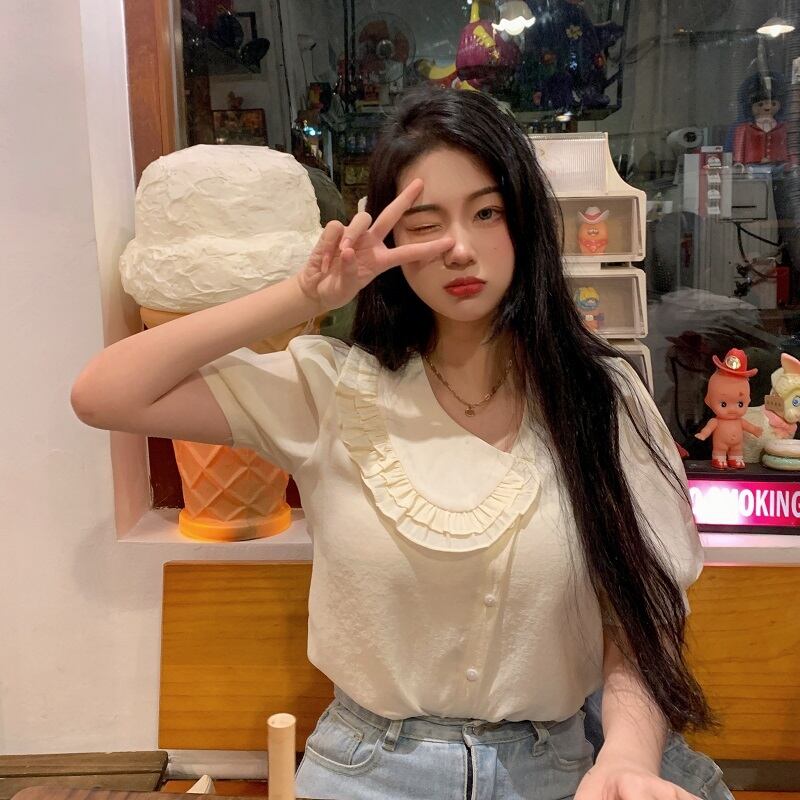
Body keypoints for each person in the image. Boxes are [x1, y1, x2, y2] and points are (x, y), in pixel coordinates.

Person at [71, 87, 733, 800]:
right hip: (367, 771)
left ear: (526, 221)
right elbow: (104, 393)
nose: (459, 248)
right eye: (424, 225)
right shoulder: (331, 390)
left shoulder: (599, 397)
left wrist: (628, 757)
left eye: (487, 213)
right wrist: (303, 296)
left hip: (555, 771)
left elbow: (641, 616)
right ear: (390, 244)